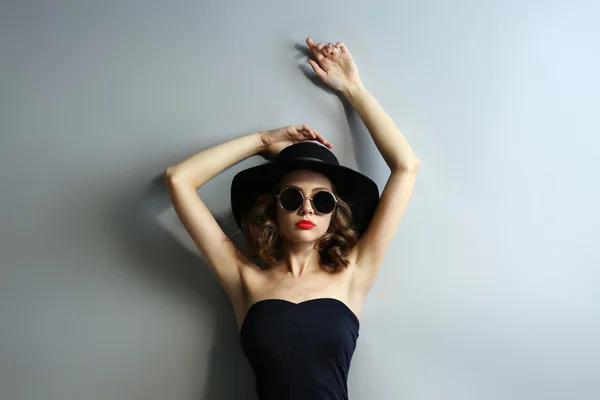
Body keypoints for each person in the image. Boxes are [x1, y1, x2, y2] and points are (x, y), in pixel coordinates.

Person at [165, 37, 421, 400]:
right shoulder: (245, 279)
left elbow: (406, 167)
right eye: (291, 197)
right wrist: (261, 139)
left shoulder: (355, 272)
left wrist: (353, 88)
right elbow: (179, 179)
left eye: (322, 201)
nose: (307, 209)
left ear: (335, 213)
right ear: (273, 209)